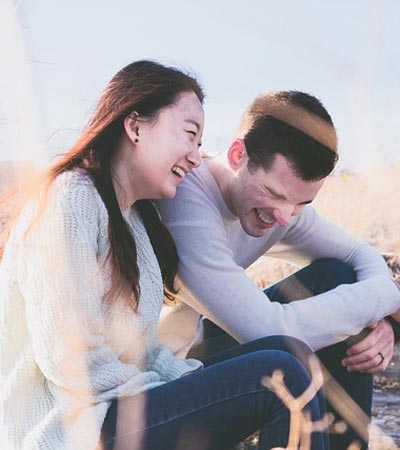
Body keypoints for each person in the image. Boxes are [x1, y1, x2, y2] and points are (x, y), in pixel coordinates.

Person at [0, 62, 329, 450]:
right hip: (71, 430)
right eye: (189, 135)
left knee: (291, 351)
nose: (195, 157)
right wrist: (169, 391)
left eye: (200, 145)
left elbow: (140, 350)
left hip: (115, 410)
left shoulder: (133, 221)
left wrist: (187, 383)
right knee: (280, 376)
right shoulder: (70, 200)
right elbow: (70, 360)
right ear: (135, 126)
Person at [156, 90, 400, 449]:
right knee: (291, 353)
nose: (285, 217)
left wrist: (382, 323)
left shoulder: (279, 206)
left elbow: (359, 253)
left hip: (197, 346)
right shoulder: (186, 201)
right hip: (160, 379)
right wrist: (384, 299)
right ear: (238, 155)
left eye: (302, 202)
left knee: (336, 276)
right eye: (276, 194)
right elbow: (269, 330)